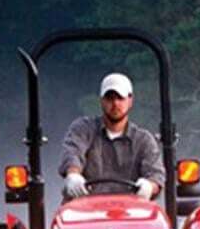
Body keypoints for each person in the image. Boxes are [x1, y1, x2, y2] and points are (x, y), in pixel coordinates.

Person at [59, 72, 165, 202]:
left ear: (130, 100)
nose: (115, 104)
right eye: (110, 98)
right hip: (85, 209)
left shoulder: (143, 140)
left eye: (120, 98)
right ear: (102, 100)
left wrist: (150, 186)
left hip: (130, 212)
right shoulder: (83, 129)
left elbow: (155, 175)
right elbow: (72, 152)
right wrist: (73, 174)